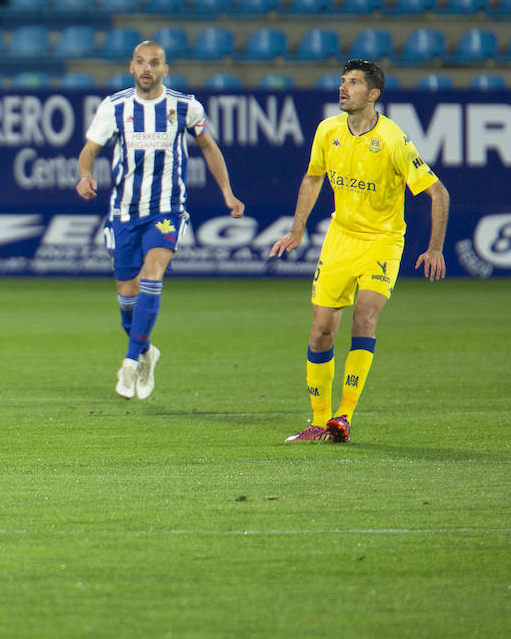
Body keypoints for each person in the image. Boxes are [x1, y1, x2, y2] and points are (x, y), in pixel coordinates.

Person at [269, 58, 447, 443]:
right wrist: (297, 230)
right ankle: (318, 421)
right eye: (342, 81)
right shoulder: (327, 130)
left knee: (364, 318)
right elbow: (314, 177)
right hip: (340, 239)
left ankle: (343, 416)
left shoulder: (394, 140)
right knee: (321, 333)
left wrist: (434, 248)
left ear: (373, 94)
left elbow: (438, 193)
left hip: (382, 242)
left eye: (353, 82)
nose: (343, 88)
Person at [76, 41, 244, 400]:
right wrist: (85, 176)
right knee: (127, 299)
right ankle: (147, 350)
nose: (147, 68)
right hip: (123, 214)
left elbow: (209, 148)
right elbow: (88, 152)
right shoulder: (115, 107)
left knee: (153, 274)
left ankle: (130, 363)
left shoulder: (185, 107)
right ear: (131, 67)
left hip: (167, 210)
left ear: (165, 69)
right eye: (140, 62)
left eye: (154, 63)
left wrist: (227, 193)